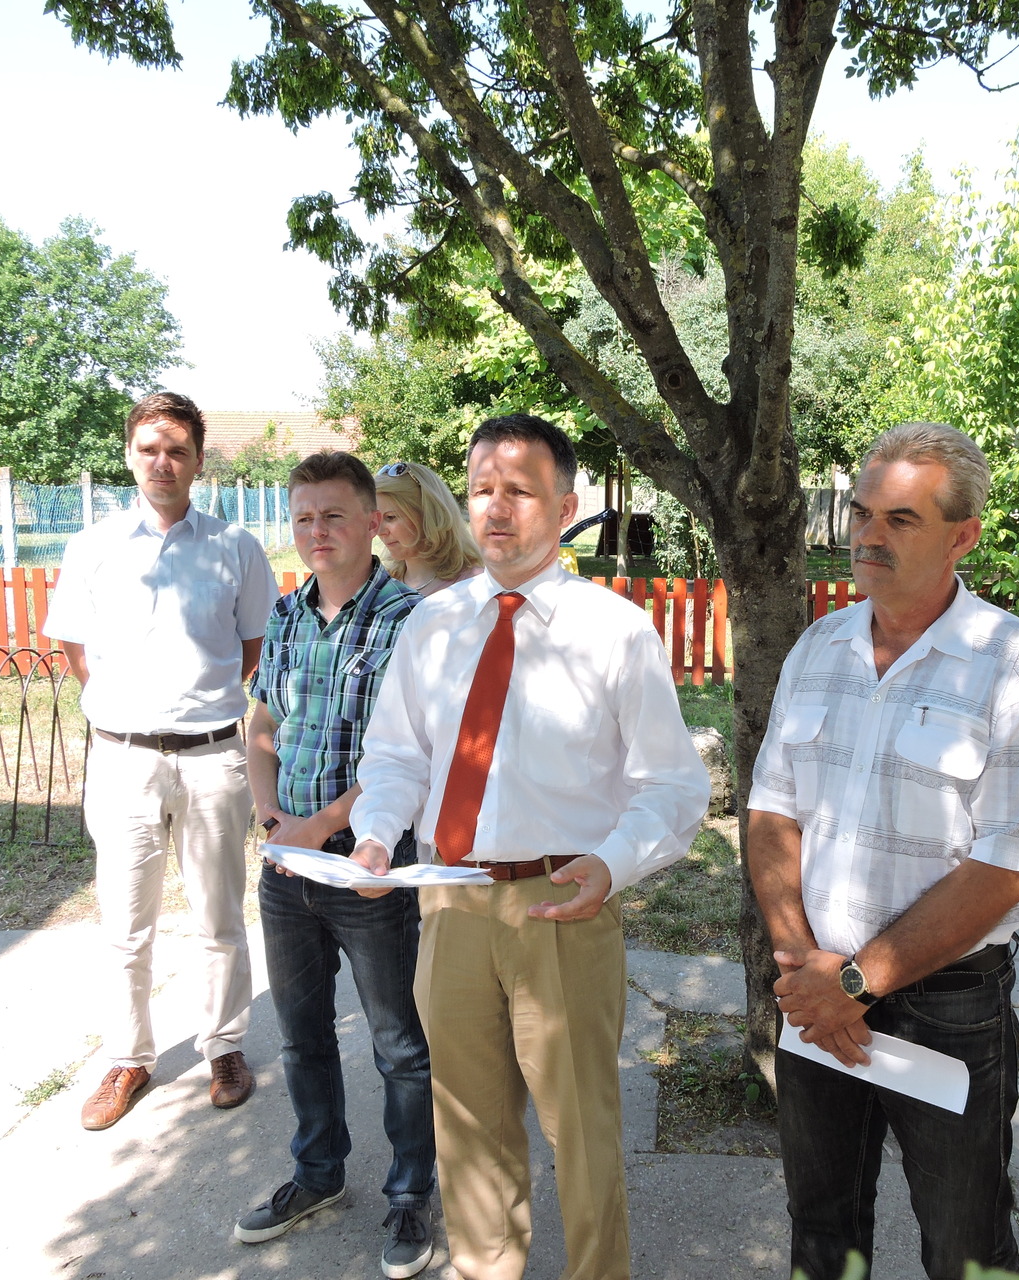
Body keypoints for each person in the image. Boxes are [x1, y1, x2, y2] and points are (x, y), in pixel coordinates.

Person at [348, 414, 710, 1280]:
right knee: (468, 1131)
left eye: (519, 490)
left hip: (561, 906)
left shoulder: (613, 630)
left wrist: (611, 865)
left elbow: (671, 785)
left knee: (580, 1133)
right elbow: (397, 757)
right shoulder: (432, 625)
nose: (497, 507)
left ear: (565, 507)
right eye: (482, 489)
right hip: (448, 902)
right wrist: (374, 837)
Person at [745, 422, 1019, 1280]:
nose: (867, 536)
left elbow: (1009, 865)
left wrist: (856, 982)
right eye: (861, 513)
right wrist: (802, 964)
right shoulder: (818, 648)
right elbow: (771, 811)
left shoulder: (1014, 664)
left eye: (900, 520)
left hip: (946, 1006)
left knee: (965, 1244)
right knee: (820, 1230)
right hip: (812, 988)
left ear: (961, 536)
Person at [44, 391, 278, 1131]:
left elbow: (251, 647)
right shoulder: (92, 547)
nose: (162, 462)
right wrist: (131, 711)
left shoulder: (235, 547)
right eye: (149, 448)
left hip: (213, 758)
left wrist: (193, 702)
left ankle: (224, 1047)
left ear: (199, 462)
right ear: (129, 456)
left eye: (177, 450)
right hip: (124, 760)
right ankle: (129, 1058)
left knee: (218, 916)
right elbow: (76, 648)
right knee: (125, 920)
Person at [236, 451, 437, 1279]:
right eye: (303, 517)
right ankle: (317, 1174)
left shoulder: (409, 619)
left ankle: (409, 1196)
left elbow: (410, 752)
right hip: (286, 870)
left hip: (367, 866)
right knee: (301, 1036)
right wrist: (272, 821)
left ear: (371, 523)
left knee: (398, 1044)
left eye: (333, 516)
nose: (316, 532)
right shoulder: (286, 615)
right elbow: (260, 726)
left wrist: (318, 827)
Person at [373, 460, 483, 597]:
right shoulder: (379, 587)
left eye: (390, 517)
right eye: (376, 520)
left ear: (427, 515)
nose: (380, 531)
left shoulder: (474, 585)